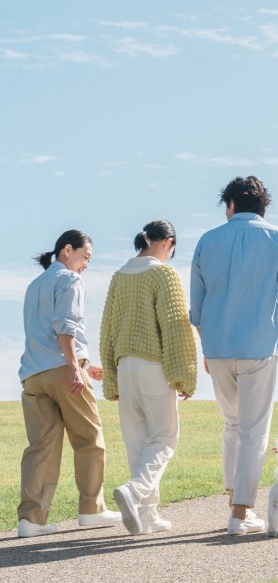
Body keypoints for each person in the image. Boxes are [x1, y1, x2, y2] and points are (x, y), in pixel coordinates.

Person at [190, 175, 278, 535]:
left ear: (230, 206)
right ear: (263, 207)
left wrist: (207, 346)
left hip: (218, 347)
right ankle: (240, 515)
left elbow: (197, 304)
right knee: (254, 432)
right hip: (259, 346)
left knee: (231, 425)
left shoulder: (207, 241)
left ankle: (235, 505)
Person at [17, 230, 122, 538]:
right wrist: (76, 367)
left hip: (33, 375)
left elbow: (46, 334)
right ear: (66, 250)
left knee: (41, 448)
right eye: (85, 257)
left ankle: (32, 519)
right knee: (89, 438)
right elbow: (65, 326)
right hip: (64, 371)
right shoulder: (70, 280)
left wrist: (86, 366)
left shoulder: (34, 285)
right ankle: (92, 509)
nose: (86, 265)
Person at [100, 219, 197, 535]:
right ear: (167, 242)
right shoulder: (163, 273)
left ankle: (147, 516)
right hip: (153, 365)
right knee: (165, 437)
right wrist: (185, 375)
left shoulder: (118, 277)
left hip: (125, 367)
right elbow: (175, 326)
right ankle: (136, 491)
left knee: (138, 442)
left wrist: (111, 379)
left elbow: (107, 331)